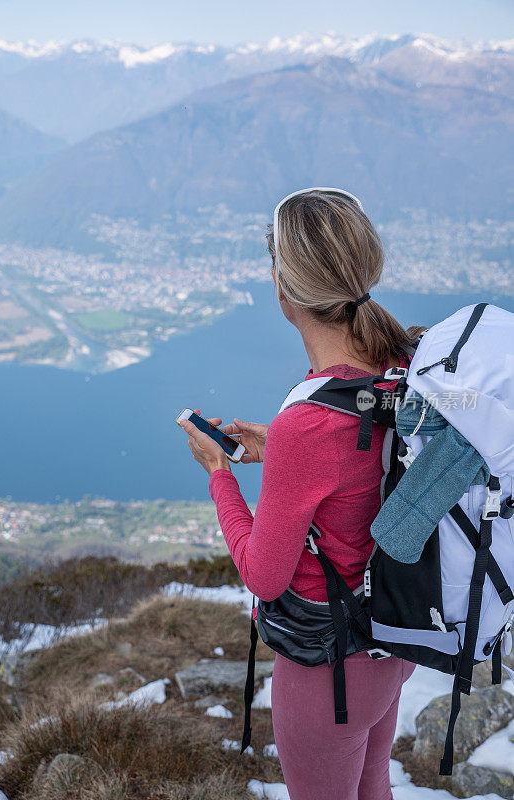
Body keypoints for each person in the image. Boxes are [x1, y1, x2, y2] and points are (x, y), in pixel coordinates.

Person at [178, 188, 416, 800]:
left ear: (285, 289)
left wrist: (219, 474)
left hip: (328, 671)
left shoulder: (310, 422)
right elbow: (354, 471)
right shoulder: (398, 360)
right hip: (390, 639)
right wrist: (279, 451)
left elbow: (264, 574)